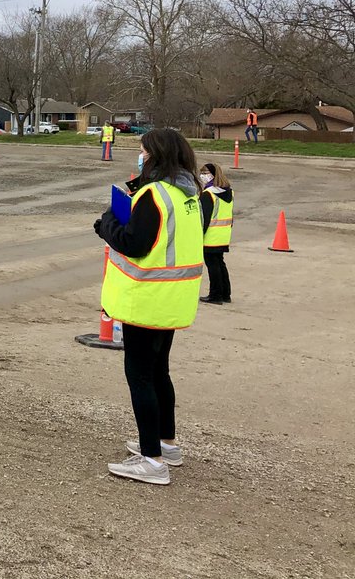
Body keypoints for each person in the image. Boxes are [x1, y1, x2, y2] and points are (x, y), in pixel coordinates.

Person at [94, 128, 204, 485]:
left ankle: (151, 459)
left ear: (154, 155)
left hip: (147, 298)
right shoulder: (190, 194)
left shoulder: (154, 194)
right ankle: (166, 443)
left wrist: (107, 221)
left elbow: (134, 242)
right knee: (160, 372)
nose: (139, 156)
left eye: (142, 151)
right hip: (174, 298)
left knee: (140, 376)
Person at [198, 161, 234, 304]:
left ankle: (215, 295)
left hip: (211, 236)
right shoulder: (229, 191)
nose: (202, 176)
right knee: (219, 263)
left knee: (213, 265)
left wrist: (199, 235)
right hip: (224, 234)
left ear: (212, 175)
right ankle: (226, 293)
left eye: (205, 173)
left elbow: (204, 219)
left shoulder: (209, 194)